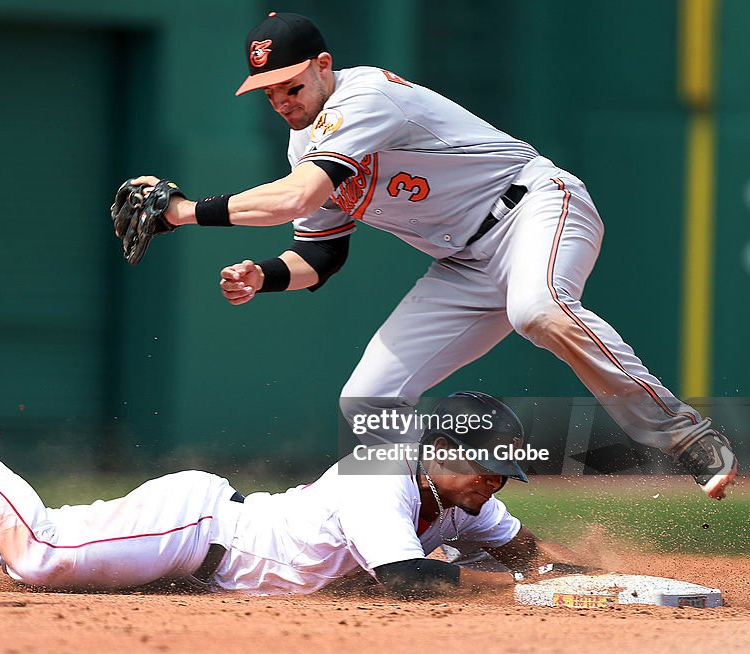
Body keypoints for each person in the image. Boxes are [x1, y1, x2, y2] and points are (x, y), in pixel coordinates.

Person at [127, 12, 737, 499]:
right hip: (465, 264)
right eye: (268, 91)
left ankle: (688, 438)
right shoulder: (302, 144)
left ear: (322, 66)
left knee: (538, 309)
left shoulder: (363, 99)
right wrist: (264, 276)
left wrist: (183, 211)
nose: (282, 99)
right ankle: (416, 524)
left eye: (291, 84)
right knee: (368, 400)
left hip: (533, 206)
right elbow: (321, 253)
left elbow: (297, 198)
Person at [0, 378, 587, 596]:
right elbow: (407, 584)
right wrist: (505, 597)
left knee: (4, 533)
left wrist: (583, 584)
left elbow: (522, 552)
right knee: (38, 554)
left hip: (196, 547)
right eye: (487, 467)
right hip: (196, 528)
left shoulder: (464, 496)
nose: (493, 487)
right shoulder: (380, 478)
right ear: (439, 449)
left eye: (503, 474)